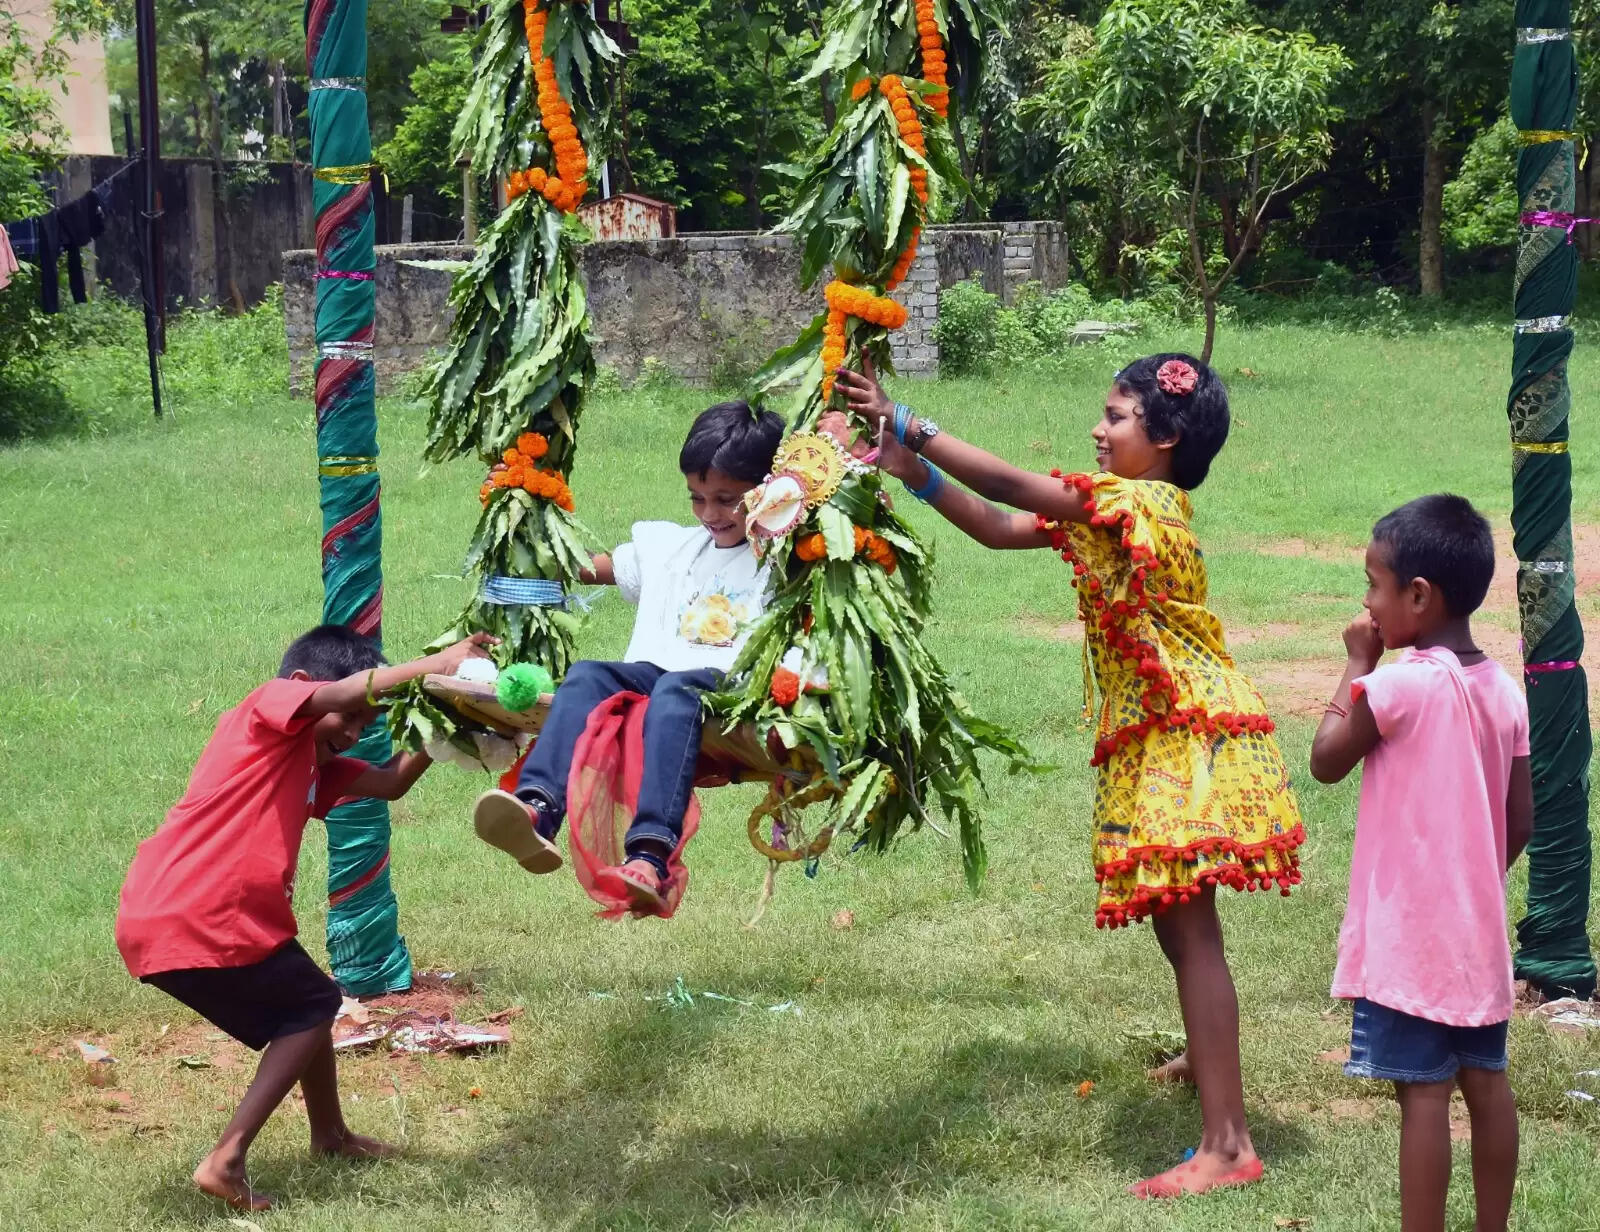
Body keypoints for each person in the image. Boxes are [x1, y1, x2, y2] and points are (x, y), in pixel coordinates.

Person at [836, 354, 1303, 1198]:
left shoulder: (1137, 502)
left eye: (1116, 417)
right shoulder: (1116, 508)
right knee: (1176, 919)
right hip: (1158, 730)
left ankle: (1229, 1146)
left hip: (1182, 731)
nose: (1098, 428)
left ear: (1163, 439)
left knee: (1192, 930)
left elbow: (1016, 488)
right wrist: (912, 475)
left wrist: (908, 421)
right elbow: (996, 525)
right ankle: (1207, 1061)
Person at [114, 625, 495, 1211]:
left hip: (172, 910)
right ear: (302, 686)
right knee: (312, 1007)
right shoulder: (265, 711)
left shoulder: (310, 761)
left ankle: (331, 1136)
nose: (354, 732)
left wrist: (451, 724)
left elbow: (390, 783)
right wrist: (439, 663)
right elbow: (339, 697)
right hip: (207, 909)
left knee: (310, 997)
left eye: (367, 726)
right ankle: (227, 1158)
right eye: (352, 718)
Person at [1309, 495, 1531, 1232]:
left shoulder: (1399, 684)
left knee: (1424, 1096)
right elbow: (1520, 815)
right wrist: (1475, 877)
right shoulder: (1504, 690)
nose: (1367, 603)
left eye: (1373, 584)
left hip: (1411, 945)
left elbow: (1326, 761)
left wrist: (1355, 662)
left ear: (1418, 597)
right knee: (1487, 1084)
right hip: (1480, 937)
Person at [473, 399, 784, 911]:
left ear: (770, 489)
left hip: (731, 684)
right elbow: (589, 568)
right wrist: (521, 519)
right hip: (660, 674)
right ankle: (535, 807)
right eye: (698, 498)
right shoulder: (674, 548)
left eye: (727, 499)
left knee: (676, 690)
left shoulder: (786, 554)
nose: (710, 514)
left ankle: (650, 853)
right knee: (591, 675)